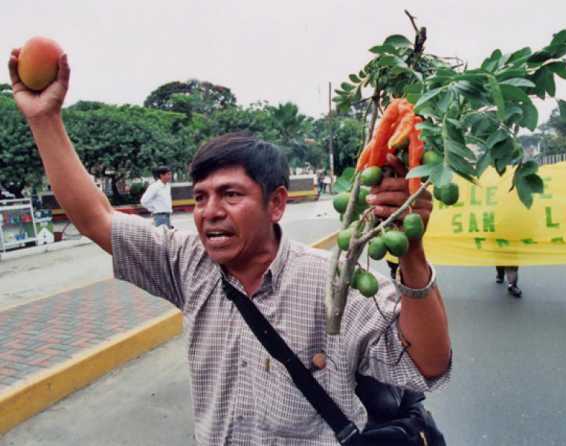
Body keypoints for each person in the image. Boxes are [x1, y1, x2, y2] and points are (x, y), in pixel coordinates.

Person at [8, 50, 451, 445]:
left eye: (230, 195)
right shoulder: (186, 264)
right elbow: (95, 218)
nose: (209, 211)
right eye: (200, 197)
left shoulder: (334, 281)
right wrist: (44, 119)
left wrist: (412, 253)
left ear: (276, 203)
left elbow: (426, 365)